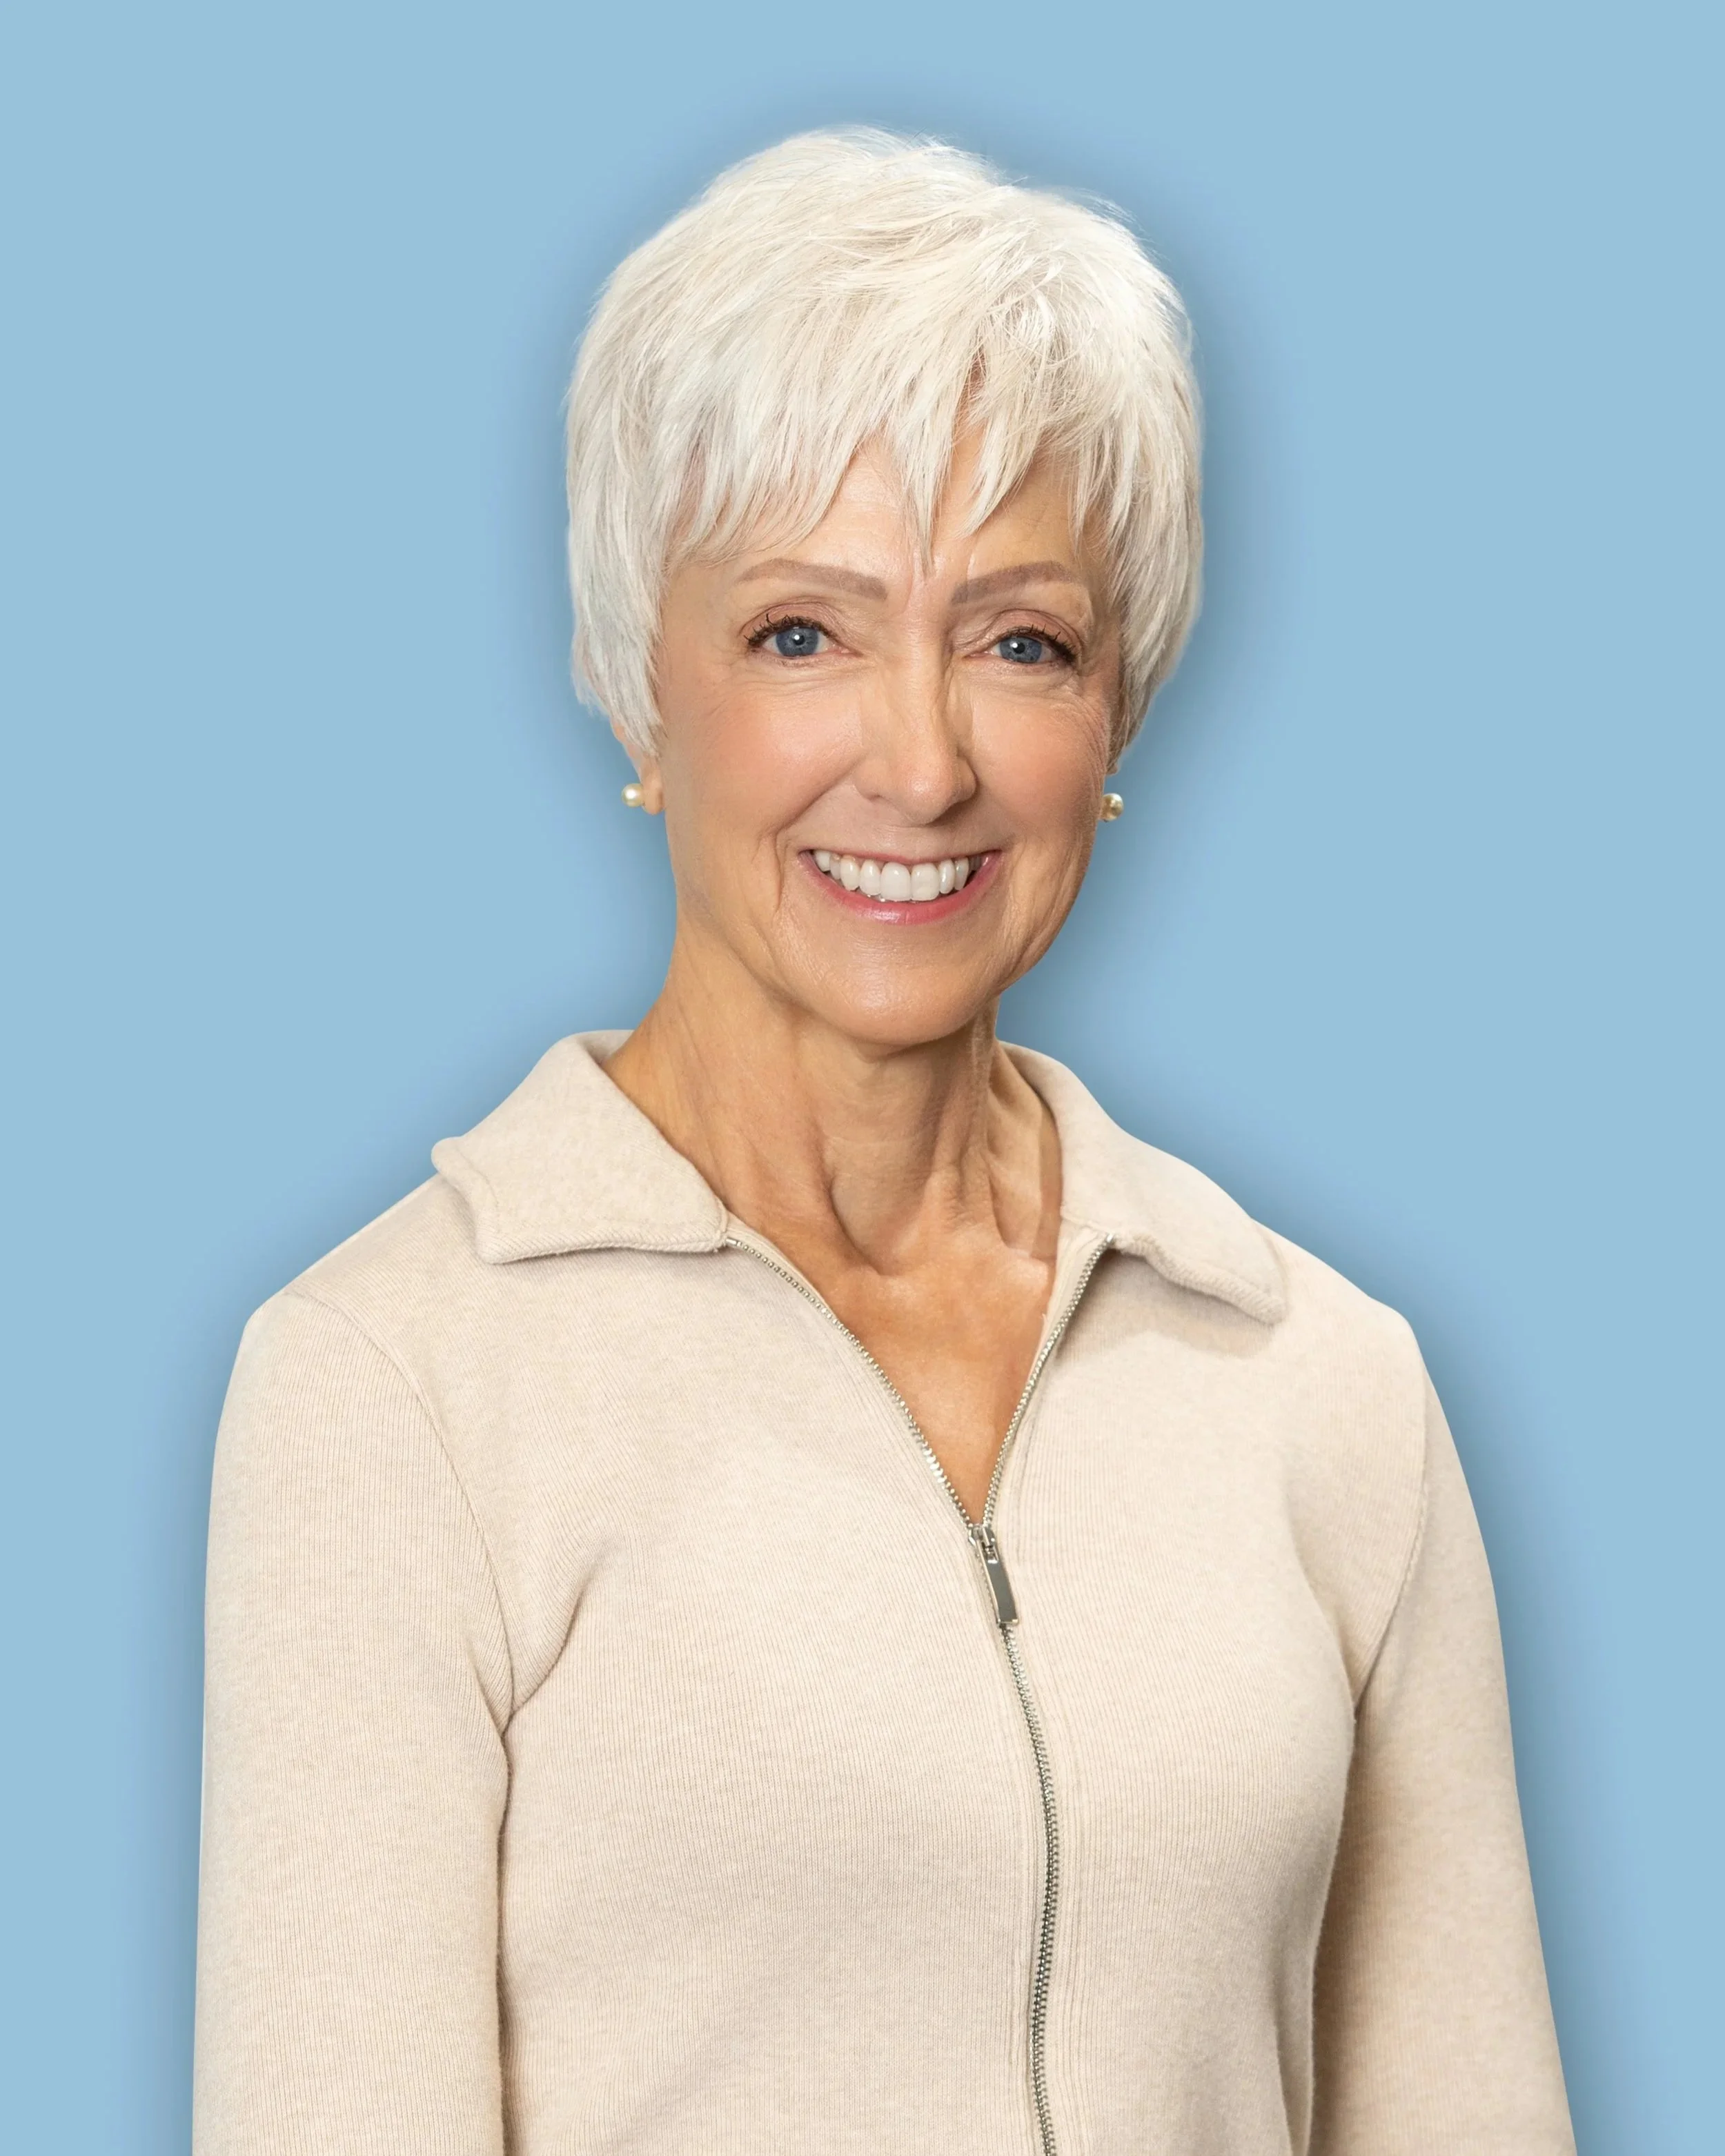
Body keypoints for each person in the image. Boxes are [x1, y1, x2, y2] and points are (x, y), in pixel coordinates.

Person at [192, 130, 1574, 2155]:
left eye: (1021, 642)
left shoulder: (1323, 1384)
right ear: (640, 691)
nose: (921, 765)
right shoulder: (393, 1386)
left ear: (1117, 713)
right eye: (800, 635)